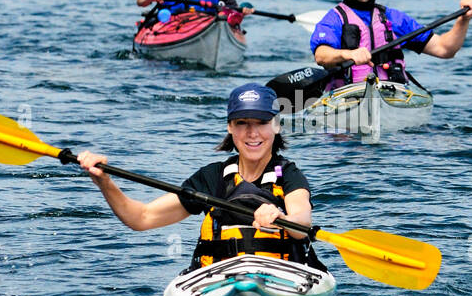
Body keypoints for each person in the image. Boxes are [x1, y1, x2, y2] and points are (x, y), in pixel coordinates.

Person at [77, 83, 324, 270]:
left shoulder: (288, 174)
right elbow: (141, 218)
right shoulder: (212, 178)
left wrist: (281, 217)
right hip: (223, 281)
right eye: (242, 123)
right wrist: (104, 182)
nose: (252, 133)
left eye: (261, 122)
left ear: (277, 125)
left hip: (282, 279)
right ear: (229, 126)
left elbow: (301, 222)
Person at [310, 0, 472, 90]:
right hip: (346, 97)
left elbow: (445, 49)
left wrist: (463, 20)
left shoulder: (394, 19)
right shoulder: (333, 19)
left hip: (392, 96)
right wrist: (349, 54)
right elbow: (321, 55)